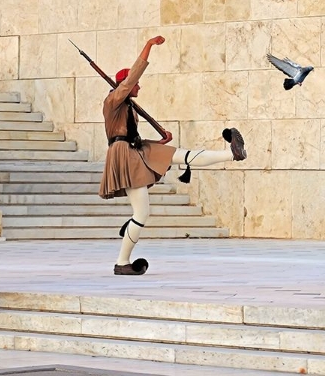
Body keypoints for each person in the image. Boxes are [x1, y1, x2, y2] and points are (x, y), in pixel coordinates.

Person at [100, 36, 247, 276]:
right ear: (126, 84)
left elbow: (129, 135)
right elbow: (132, 81)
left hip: (135, 149)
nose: (139, 87)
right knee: (141, 213)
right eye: (135, 84)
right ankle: (122, 261)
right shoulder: (113, 100)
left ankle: (232, 153)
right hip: (124, 155)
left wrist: (159, 143)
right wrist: (148, 46)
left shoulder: (126, 106)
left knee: (181, 155)